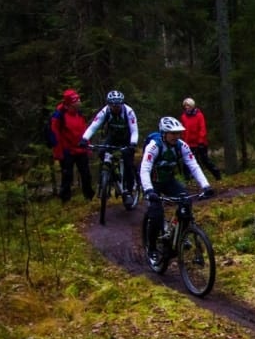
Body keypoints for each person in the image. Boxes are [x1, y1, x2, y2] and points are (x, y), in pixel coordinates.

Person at [140, 117, 214, 264]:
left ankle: (181, 235)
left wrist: (206, 186)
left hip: (168, 181)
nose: (176, 136)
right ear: (163, 133)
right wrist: (149, 190)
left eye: (178, 133)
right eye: (172, 133)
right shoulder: (154, 146)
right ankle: (152, 248)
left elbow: (194, 165)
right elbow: (145, 169)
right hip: (153, 183)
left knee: (186, 202)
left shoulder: (182, 146)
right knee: (156, 214)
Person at [79, 90, 139, 206]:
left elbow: (134, 130)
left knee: (128, 162)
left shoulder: (129, 112)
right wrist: (84, 139)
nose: (116, 107)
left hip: (127, 138)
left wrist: (132, 144)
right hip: (113, 137)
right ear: (109, 104)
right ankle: (109, 177)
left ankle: (128, 191)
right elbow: (93, 126)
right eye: (113, 105)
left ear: (122, 103)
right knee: (102, 152)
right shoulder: (105, 111)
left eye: (118, 105)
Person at [50, 88, 94, 202]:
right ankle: (65, 200)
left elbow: (84, 130)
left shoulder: (79, 113)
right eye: (76, 101)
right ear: (70, 103)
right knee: (67, 176)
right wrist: (58, 152)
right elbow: (55, 134)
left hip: (81, 149)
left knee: (86, 175)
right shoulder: (59, 116)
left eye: (79, 99)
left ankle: (89, 197)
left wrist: (88, 145)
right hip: (67, 151)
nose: (79, 102)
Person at [180, 97, 222, 181]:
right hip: (188, 143)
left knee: (205, 160)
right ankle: (188, 179)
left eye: (188, 105)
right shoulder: (184, 116)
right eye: (185, 106)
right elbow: (183, 129)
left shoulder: (199, 115)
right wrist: (183, 141)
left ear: (192, 106)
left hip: (200, 143)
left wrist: (201, 141)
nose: (186, 107)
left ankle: (217, 175)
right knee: (187, 162)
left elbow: (202, 129)